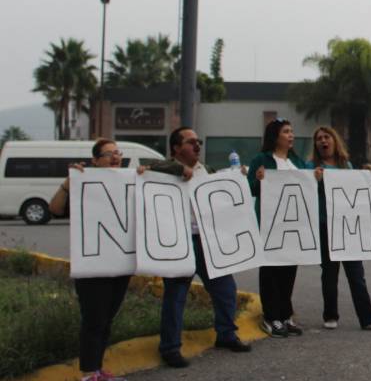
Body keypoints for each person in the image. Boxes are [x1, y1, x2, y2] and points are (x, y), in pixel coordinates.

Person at [150, 127, 251, 367]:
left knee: (226, 290)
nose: (197, 146)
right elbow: (149, 167)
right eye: (190, 142)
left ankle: (226, 335)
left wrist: (239, 177)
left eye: (199, 142)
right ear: (176, 148)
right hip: (181, 242)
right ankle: (170, 347)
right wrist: (177, 169)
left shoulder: (207, 171)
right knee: (176, 297)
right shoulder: (165, 170)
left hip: (208, 241)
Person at [48, 139, 133, 381]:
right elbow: (54, 209)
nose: (115, 157)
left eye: (118, 153)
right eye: (109, 154)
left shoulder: (130, 182)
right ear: (95, 160)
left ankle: (97, 368)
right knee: (94, 320)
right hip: (93, 268)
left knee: (106, 320)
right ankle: (88, 372)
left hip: (120, 265)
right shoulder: (84, 183)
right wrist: (68, 181)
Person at [305, 126, 371, 331]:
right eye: (319, 139)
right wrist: (313, 180)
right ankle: (330, 315)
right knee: (329, 273)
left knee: (356, 274)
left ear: (334, 141)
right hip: (326, 225)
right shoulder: (311, 167)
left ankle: (368, 318)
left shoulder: (347, 165)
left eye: (326, 137)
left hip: (348, 227)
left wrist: (369, 175)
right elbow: (306, 194)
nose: (323, 141)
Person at [247, 118, 308, 338]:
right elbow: (251, 189)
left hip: (292, 225)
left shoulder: (297, 162)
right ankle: (271, 316)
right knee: (271, 271)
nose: (291, 135)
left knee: (288, 271)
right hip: (270, 225)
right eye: (286, 132)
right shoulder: (261, 160)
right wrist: (258, 180)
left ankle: (285, 315)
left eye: (292, 131)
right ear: (275, 136)